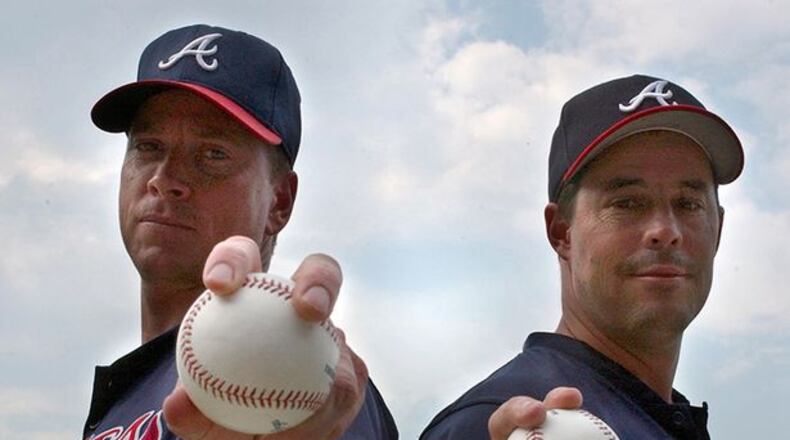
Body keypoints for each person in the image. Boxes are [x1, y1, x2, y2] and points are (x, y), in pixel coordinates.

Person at [83, 24, 398, 440]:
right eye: (148, 147)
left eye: (213, 154)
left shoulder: (294, 374)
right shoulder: (126, 397)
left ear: (279, 201)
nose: (164, 177)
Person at [420, 74, 744, 440]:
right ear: (561, 232)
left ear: (718, 230)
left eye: (689, 204)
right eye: (627, 203)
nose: (666, 230)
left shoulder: (662, 418)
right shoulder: (502, 422)